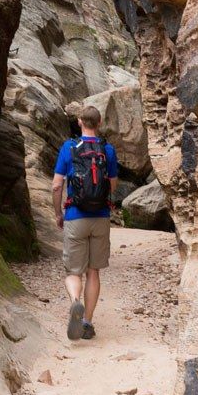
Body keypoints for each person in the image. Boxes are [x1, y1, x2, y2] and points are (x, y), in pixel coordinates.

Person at [52, 105, 118, 341]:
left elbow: (57, 185)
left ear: (80, 122)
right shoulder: (107, 150)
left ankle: (75, 302)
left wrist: (58, 212)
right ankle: (87, 322)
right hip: (100, 217)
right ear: (99, 123)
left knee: (73, 271)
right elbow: (111, 185)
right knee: (93, 272)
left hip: (75, 216)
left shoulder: (69, 148)